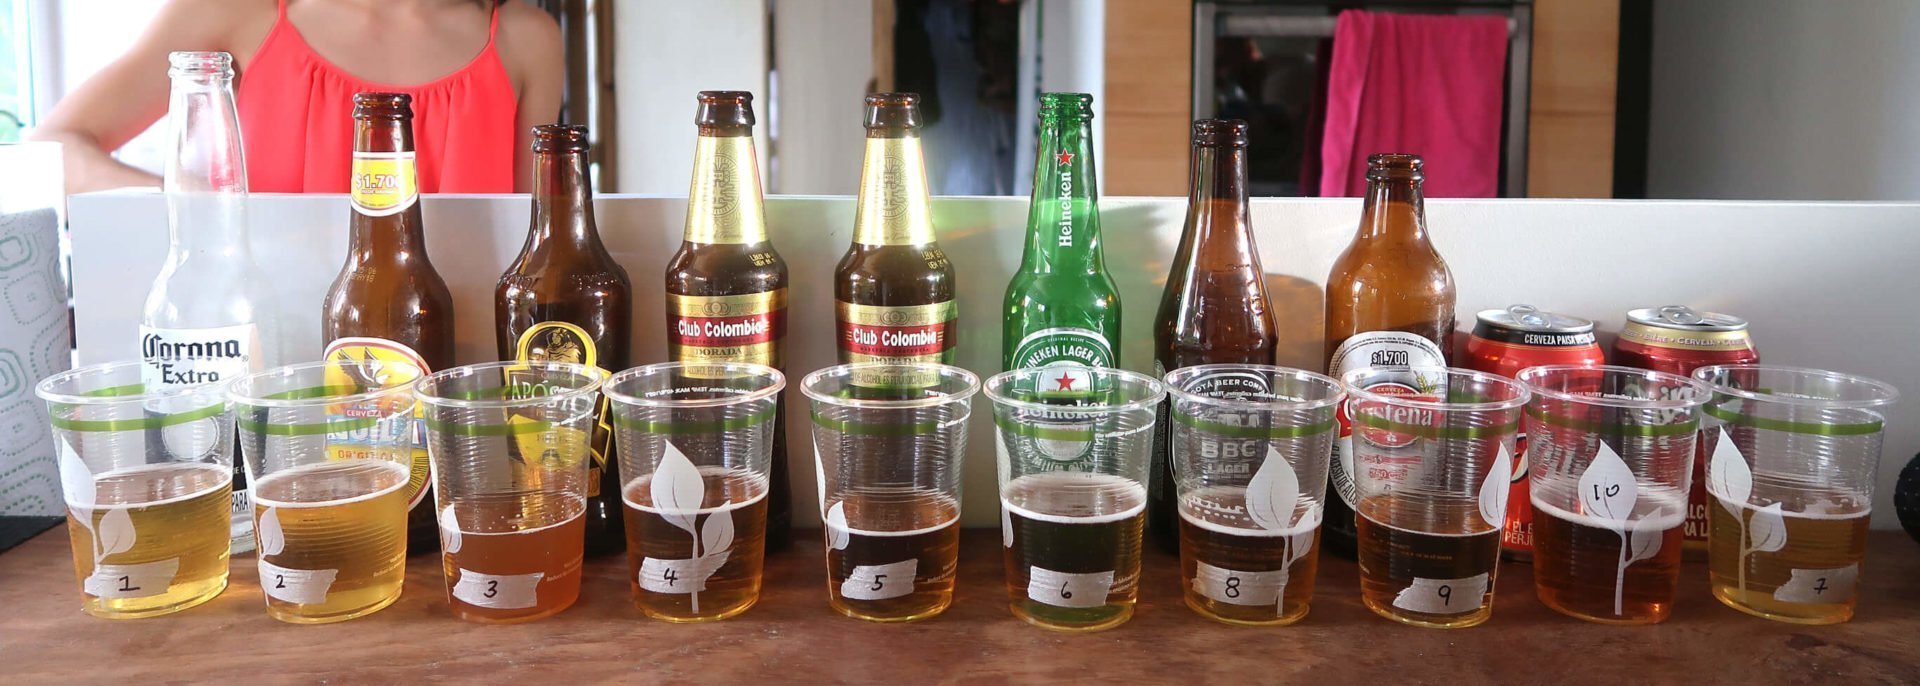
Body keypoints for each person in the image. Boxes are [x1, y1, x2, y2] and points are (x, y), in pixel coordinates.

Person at [32, 0, 564, 194]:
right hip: (275, 376)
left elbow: (530, 247)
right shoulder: (235, 12)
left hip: (458, 385)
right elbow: (52, 148)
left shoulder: (526, 39)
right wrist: (189, 206)